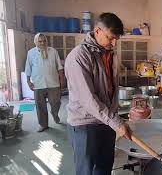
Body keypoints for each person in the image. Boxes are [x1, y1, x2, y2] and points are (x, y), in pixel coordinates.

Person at [64, 12, 132, 175]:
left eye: (116, 39)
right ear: (97, 31)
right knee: (87, 170)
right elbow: (88, 99)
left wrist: (115, 119)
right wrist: (116, 122)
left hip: (106, 122)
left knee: (104, 167)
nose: (114, 43)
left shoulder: (110, 54)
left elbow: (110, 88)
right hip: (85, 124)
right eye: (110, 38)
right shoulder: (79, 56)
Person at [25, 33, 64, 132]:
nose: (43, 43)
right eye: (40, 41)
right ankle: (43, 124)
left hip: (53, 83)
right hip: (38, 84)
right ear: (36, 42)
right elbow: (28, 68)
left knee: (56, 102)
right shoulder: (31, 53)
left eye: (44, 41)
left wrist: (62, 79)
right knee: (40, 106)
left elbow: (59, 66)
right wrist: (28, 81)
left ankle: (55, 114)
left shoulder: (53, 51)